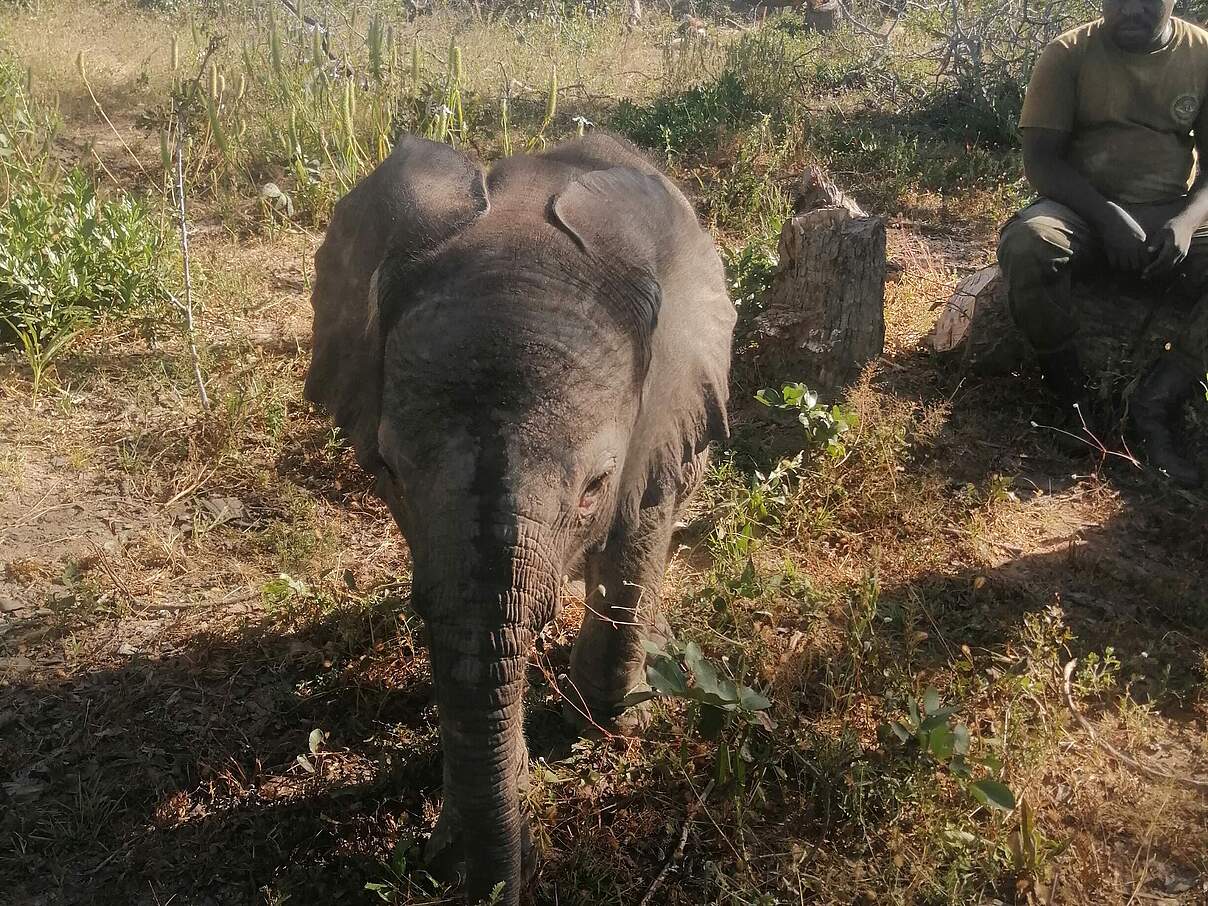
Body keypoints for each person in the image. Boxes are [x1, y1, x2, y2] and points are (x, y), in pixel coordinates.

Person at [997, 0, 1208, 487]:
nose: (1130, 9)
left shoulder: (1200, 55)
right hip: (1082, 210)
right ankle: (1073, 405)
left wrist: (1184, 224)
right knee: (1028, 245)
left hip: (1168, 211)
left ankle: (1159, 400)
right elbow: (1042, 162)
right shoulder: (1068, 53)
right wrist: (1108, 218)